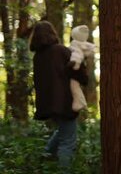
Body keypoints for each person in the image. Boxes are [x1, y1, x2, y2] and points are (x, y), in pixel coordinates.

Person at [31, 21, 88, 168]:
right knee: (67, 142)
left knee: (62, 133)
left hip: (49, 105)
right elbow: (77, 68)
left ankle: (43, 161)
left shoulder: (37, 57)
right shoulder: (60, 50)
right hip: (64, 102)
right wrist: (84, 78)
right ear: (52, 33)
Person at [69, 24, 95, 112]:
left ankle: (80, 103)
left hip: (76, 67)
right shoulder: (84, 44)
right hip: (79, 69)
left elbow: (77, 55)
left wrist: (75, 63)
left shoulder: (75, 44)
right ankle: (81, 102)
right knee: (75, 86)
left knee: (74, 86)